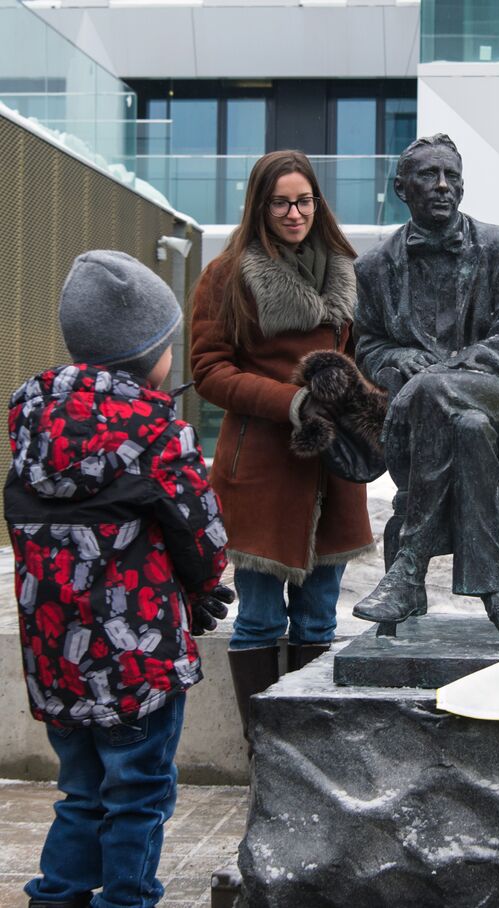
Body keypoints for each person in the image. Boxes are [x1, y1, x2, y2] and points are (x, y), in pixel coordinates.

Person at [6, 251, 231, 908]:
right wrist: (200, 585)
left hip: (54, 656)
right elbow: (203, 534)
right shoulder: (159, 427)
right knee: (137, 796)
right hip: (137, 658)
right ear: (150, 353)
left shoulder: (29, 423)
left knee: (81, 793)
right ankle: (126, 899)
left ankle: (59, 896)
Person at [190, 150, 373, 739]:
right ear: (260, 205)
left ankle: (309, 753)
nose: (294, 213)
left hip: (332, 469)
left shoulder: (346, 268)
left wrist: (362, 403)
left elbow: (359, 361)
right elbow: (209, 370)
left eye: (304, 200)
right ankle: (264, 752)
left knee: (319, 618)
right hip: (262, 470)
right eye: (281, 202)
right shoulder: (228, 274)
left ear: (317, 202)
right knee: (260, 619)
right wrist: (289, 401)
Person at [351, 134, 499, 651]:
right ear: (402, 188)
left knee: (445, 401)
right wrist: (398, 360)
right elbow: (369, 346)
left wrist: (433, 378)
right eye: (429, 176)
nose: (444, 186)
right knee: (465, 426)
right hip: (451, 426)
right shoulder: (373, 269)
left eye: (452, 176)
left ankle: (409, 567)